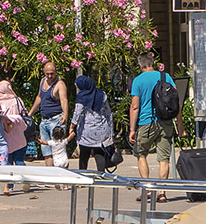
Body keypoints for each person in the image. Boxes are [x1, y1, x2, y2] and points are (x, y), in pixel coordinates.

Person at [128, 50, 177, 189]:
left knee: (141, 154)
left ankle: (148, 188)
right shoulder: (165, 76)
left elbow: (135, 106)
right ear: (153, 63)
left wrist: (132, 129)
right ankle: (162, 192)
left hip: (146, 122)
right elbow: (175, 101)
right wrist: (180, 126)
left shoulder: (138, 80)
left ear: (140, 65)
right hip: (165, 121)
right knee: (164, 159)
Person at [0, 79, 29, 196]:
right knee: (19, 160)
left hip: (3, 138)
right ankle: (25, 179)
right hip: (18, 136)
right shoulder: (17, 100)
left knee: (7, 162)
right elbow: (24, 113)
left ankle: (9, 186)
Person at [70, 73, 116, 173]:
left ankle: (82, 174)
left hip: (86, 131)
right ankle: (101, 174)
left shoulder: (82, 97)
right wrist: (111, 131)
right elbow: (108, 113)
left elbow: (77, 113)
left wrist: (72, 126)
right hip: (101, 129)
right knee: (99, 151)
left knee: (84, 154)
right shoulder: (102, 94)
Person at [34, 63, 69, 168]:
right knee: (46, 152)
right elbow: (39, 97)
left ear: (56, 72)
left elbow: (64, 100)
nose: (49, 76)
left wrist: (65, 114)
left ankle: (63, 178)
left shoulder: (60, 84)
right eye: (47, 74)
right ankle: (50, 179)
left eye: (52, 74)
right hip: (44, 120)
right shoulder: (42, 81)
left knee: (59, 150)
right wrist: (30, 113)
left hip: (56, 119)